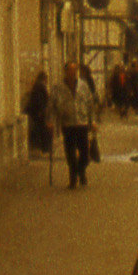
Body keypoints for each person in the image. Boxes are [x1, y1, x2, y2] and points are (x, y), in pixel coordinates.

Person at [49, 59, 96, 187]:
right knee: (70, 153)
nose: (73, 73)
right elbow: (52, 106)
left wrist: (93, 121)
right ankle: (73, 178)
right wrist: (51, 121)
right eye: (71, 70)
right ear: (65, 72)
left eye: (75, 70)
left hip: (82, 122)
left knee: (85, 154)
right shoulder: (58, 88)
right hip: (67, 124)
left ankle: (80, 171)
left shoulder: (83, 85)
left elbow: (90, 104)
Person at [23, 71, 52, 154]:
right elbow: (40, 100)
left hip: (37, 112)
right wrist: (41, 110)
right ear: (44, 78)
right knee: (42, 129)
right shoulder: (40, 86)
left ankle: (42, 147)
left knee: (40, 129)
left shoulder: (37, 86)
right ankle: (44, 148)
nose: (47, 80)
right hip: (39, 112)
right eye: (46, 78)